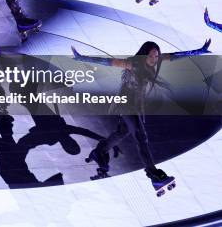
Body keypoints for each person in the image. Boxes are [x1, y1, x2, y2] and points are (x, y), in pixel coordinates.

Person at [72, 39, 211, 194]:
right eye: (151, 56)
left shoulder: (155, 61)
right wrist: (81, 58)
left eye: (156, 56)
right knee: (140, 136)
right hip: (125, 105)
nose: (154, 59)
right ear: (144, 55)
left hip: (135, 106)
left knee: (122, 132)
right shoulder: (133, 64)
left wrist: (200, 50)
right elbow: (106, 61)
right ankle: (153, 176)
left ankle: (100, 151)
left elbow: (175, 56)